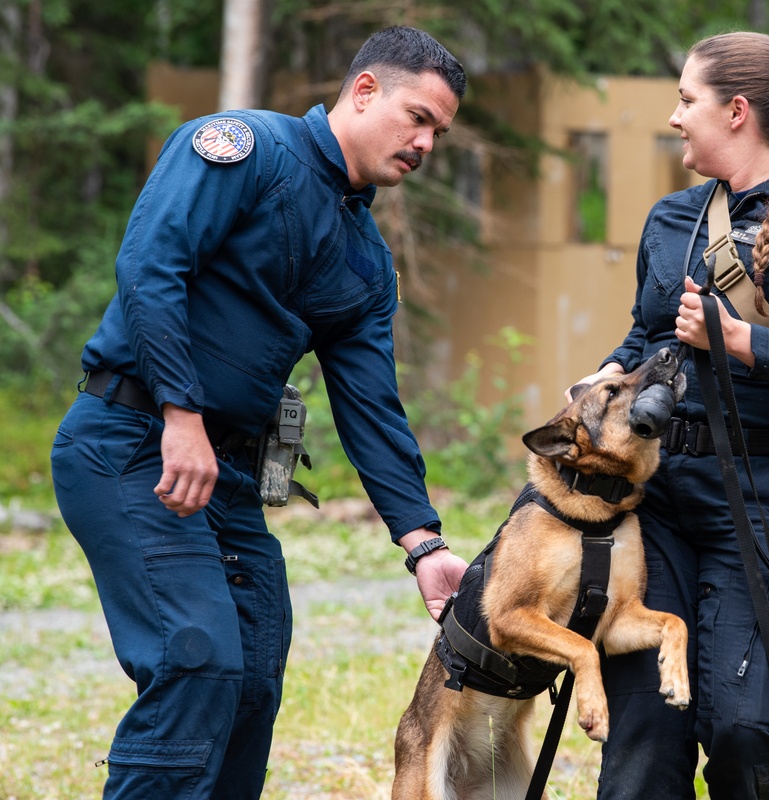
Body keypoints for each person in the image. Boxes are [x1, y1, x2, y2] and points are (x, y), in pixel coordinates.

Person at [49, 25, 468, 799]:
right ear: (365, 89)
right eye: (417, 117)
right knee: (196, 656)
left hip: (229, 477)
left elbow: (371, 405)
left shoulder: (366, 260)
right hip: (133, 440)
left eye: (439, 132)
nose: (426, 143)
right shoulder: (246, 149)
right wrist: (181, 414)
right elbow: (152, 266)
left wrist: (422, 541)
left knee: (250, 677)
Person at [568, 32, 769, 799]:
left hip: (763, 500)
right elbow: (649, 333)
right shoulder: (670, 220)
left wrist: (741, 341)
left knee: (749, 732)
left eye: (687, 100)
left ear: (737, 111)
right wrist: (611, 370)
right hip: (658, 501)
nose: (674, 117)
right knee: (640, 741)